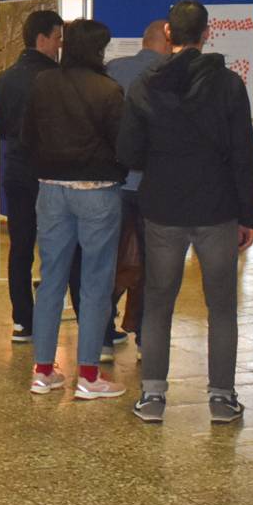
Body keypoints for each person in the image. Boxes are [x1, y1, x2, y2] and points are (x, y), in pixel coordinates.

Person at [118, 0, 253, 426]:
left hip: (162, 207)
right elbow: (242, 154)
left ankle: (153, 397)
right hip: (217, 209)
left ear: (168, 32)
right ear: (207, 32)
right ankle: (222, 399)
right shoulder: (229, 85)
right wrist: (249, 215)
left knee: (159, 302)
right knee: (221, 306)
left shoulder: (145, 85)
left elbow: (127, 151)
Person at [21, 20, 126, 400]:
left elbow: (27, 136)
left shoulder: (43, 84)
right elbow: (124, 145)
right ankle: (88, 376)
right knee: (96, 282)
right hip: (97, 191)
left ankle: (44, 371)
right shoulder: (109, 90)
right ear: (97, 50)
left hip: (50, 191)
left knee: (51, 279)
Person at [0, 9, 65, 344]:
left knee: (20, 246)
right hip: (50, 175)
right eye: (58, 38)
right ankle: (51, 316)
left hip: (16, 172)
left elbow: (0, 127)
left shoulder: (6, 78)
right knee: (57, 247)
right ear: (42, 39)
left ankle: (23, 320)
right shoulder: (56, 78)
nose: (60, 45)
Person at [105, 20, 169, 345]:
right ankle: (145, 335)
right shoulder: (171, 75)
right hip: (154, 185)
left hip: (114, 181)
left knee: (109, 258)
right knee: (152, 261)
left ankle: (103, 332)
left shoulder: (114, 68)